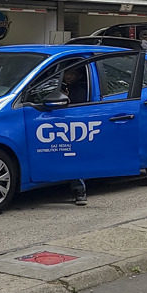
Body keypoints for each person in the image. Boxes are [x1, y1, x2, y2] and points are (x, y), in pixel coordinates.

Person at [60, 65, 89, 205]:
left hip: (76, 129)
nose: (69, 77)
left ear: (79, 76)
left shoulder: (79, 91)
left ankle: (80, 190)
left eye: (73, 73)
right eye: (67, 73)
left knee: (75, 152)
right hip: (59, 127)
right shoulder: (58, 87)